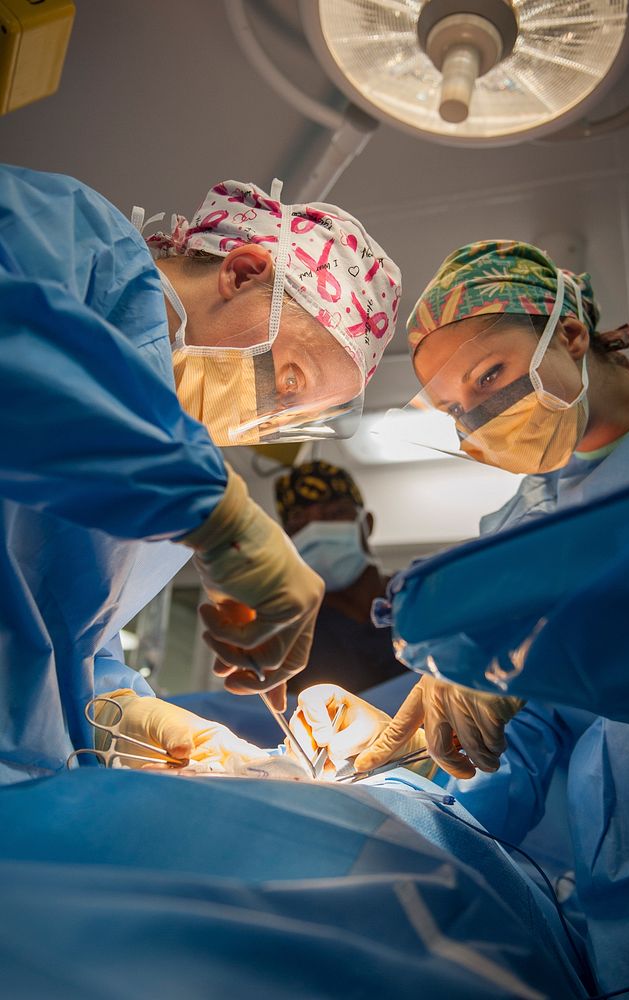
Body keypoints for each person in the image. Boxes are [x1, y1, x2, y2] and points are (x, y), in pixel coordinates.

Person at [295, 239, 629, 994]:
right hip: (624, 916)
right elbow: (520, 741)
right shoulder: (516, 533)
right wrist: (404, 766)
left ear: (569, 335)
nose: (480, 419)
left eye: (490, 375)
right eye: (457, 408)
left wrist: (550, 645)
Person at [0, 164, 401, 783]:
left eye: (284, 422)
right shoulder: (68, 240)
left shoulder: (160, 504)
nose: (259, 423)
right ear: (242, 274)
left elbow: (59, 644)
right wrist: (217, 516)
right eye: (287, 381)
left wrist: (125, 712)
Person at [273, 460, 407, 694]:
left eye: (334, 514)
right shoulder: (292, 636)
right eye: (299, 523)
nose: (316, 530)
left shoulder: (417, 596)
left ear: (366, 523)